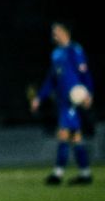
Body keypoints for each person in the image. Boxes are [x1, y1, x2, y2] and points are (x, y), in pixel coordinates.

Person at [31, 21, 94, 185]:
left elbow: (85, 73)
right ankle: (85, 174)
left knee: (63, 133)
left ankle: (57, 175)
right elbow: (51, 79)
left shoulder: (75, 50)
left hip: (72, 100)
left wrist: (88, 93)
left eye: (56, 31)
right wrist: (39, 97)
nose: (53, 34)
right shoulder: (56, 54)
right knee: (76, 137)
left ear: (65, 32)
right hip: (62, 101)